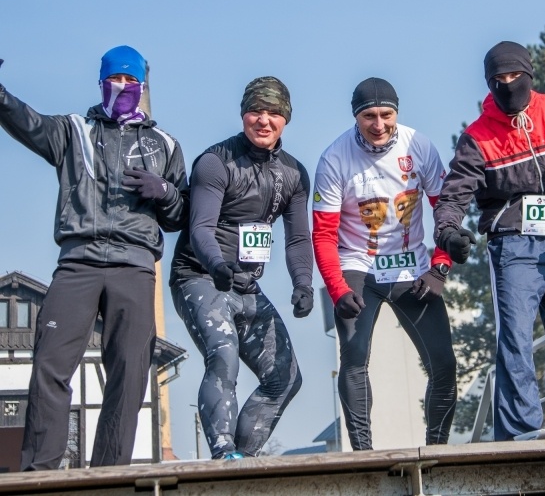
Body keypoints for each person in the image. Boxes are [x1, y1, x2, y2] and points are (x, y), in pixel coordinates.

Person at [0, 46, 189, 470]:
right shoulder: (74, 131)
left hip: (135, 265)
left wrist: (167, 192)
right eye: (116, 79)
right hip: (78, 261)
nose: (124, 86)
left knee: (130, 372)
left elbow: (179, 216)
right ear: (101, 81)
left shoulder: (165, 143)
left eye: (132, 80)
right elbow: (26, 122)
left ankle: (110, 471)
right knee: (50, 362)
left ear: (143, 86)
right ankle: (41, 470)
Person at [432, 41, 545, 441]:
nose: (507, 85)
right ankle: (521, 438)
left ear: (529, 76)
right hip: (513, 247)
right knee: (515, 342)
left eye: (514, 77)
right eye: (497, 80)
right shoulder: (477, 136)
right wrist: (448, 231)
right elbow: (453, 195)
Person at [169, 76, 313, 460]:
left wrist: (303, 284)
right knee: (223, 354)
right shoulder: (216, 161)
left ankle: (242, 459)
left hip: (247, 286)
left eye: (273, 113)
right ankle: (222, 450)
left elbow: (298, 238)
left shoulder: (294, 173)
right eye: (256, 111)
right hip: (200, 277)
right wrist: (216, 264)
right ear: (243, 114)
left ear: (286, 119)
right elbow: (199, 227)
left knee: (285, 377)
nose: (264, 120)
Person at [312, 77, 457, 450]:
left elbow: (447, 212)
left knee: (443, 363)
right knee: (355, 356)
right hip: (358, 265)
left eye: (386, 115)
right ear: (355, 118)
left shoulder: (419, 145)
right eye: (369, 117)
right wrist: (337, 288)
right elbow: (323, 234)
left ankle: (437, 450)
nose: (379, 125)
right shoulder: (334, 157)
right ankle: (363, 454)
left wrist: (440, 265)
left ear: (397, 113)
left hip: (412, 267)